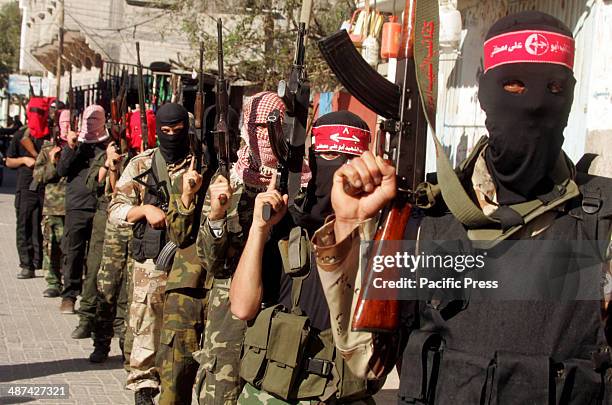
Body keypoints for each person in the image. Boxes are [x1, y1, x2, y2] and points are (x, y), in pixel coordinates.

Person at [312, 11, 612, 404]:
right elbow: (366, 363)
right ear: (483, 91)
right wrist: (351, 227)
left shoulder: (601, 223)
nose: (535, 106)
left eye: (554, 89)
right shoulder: (427, 215)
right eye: (514, 85)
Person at [231, 111, 385, 403]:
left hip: (344, 396)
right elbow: (241, 307)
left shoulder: (380, 232)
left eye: (347, 158)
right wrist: (259, 230)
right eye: (326, 153)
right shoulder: (286, 222)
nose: (337, 168)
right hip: (275, 395)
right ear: (312, 157)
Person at [193, 91, 293, 404]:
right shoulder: (229, 182)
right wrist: (217, 215)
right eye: (255, 127)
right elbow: (210, 261)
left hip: (283, 316)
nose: (261, 135)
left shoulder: (300, 180)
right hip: (229, 323)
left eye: (268, 127)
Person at [109, 103, 194, 405]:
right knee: (146, 322)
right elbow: (115, 209)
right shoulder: (142, 164)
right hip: (151, 262)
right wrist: (143, 209)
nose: (172, 137)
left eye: (178, 131)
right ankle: (144, 386)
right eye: (166, 131)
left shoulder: (200, 163)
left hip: (190, 259)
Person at [56, 105, 110, 314]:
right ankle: (69, 296)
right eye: (87, 118)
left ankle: (93, 300)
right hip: (77, 205)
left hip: (99, 206)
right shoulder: (76, 143)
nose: (90, 123)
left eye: (95, 118)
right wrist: (70, 147)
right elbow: (61, 170)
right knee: (73, 253)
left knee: (96, 258)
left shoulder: (109, 144)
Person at [5, 99, 48, 279]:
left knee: (42, 226)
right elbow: (8, 161)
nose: (37, 115)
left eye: (41, 112)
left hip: (46, 186)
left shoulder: (50, 136)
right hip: (26, 187)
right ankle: (27, 264)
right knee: (24, 225)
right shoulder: (21, 135)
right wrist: (24, 160)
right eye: (34, 111)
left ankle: (41, 261)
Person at [32, 109, 70, 297]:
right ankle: (53, 282)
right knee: (51, 245)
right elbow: (38, 176)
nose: (68, 126)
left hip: (73, 206)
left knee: (71, 248)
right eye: (64, 123)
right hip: (53, 207)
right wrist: (52, 163)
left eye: (71, 123)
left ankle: (71, 281)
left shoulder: (80, 147)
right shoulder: (48, 148)